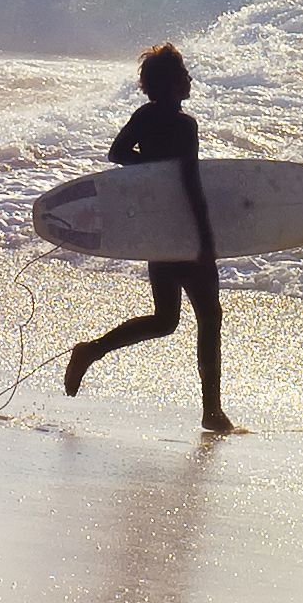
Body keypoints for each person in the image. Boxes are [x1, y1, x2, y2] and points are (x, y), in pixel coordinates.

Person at [64, 43, 238, 434]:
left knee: (165, 319)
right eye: (184, 74)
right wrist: (205, 240)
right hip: (183, 232)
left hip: (157, 233)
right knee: (209, 317)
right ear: (173, 83)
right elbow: (190, 184)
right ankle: (212, 410)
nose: (190, 79)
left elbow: (117, 153)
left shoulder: (144, 116)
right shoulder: (185, 125)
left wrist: (152, 167)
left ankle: (92, 350)